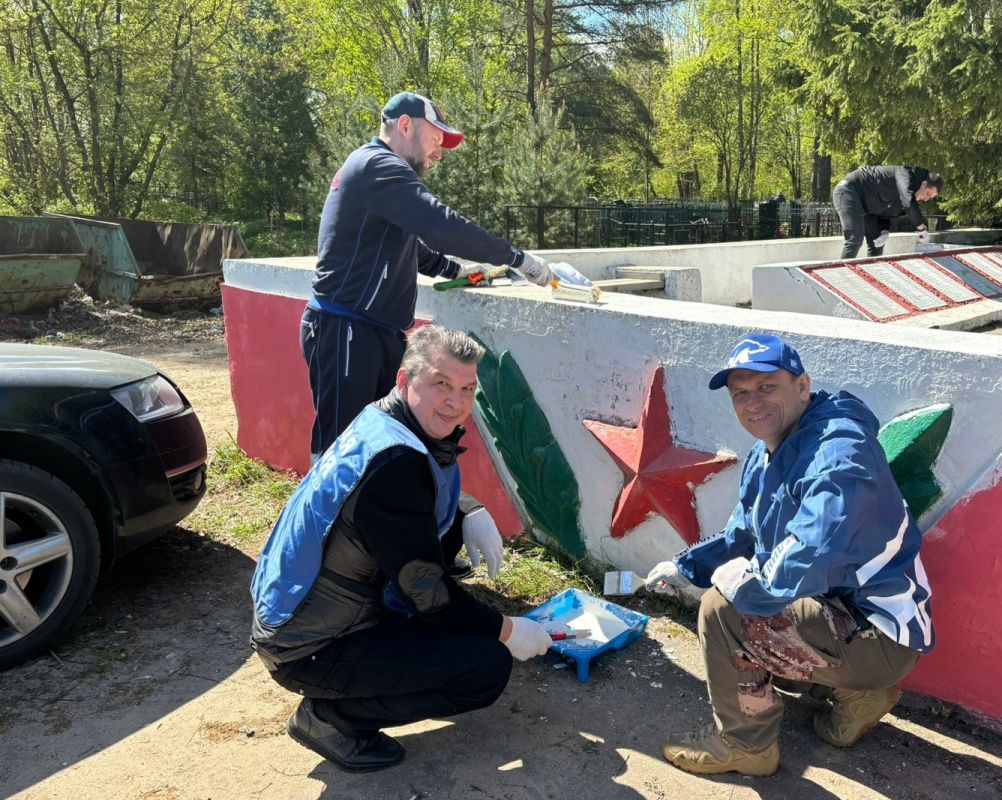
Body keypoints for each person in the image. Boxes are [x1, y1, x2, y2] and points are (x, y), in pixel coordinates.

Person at [250, 325, 553, 772]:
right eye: (441, 384)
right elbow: (428, 594)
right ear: (403, 381)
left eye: (468, 389)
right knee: (484, 667)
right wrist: (508, 631)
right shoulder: (396, 463)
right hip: (309, 644)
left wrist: (468, 509)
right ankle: (330, 718)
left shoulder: (383, 420)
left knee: (464, 617)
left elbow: (409, 505)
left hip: (297, 609)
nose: (457, 402)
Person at [646, 332, 935, 777]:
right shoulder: (770, 452)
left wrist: (743, 588)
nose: (752, 403)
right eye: (740, 393)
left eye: (767, 387)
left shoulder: (838, 452)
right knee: (748, 609)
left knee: (722, 612)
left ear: (803, 386)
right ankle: (858, 697)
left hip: (879, 633)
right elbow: (743, 534)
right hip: (846, 617)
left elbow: (814, 550)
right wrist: (686, 567)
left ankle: (745, 745)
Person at [302, 90, 587, 461]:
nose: (439, 152)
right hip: (347, 329)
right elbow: (439, 225)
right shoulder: (378, 165)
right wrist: (517, 258)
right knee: (339, 451)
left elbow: (408, 246)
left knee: (373, 447)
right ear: (405, 125)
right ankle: (322, 519)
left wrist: (460, 271)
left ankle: (366, 518)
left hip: (369, 331)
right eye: (435, 139)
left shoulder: (377, 172)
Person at [833, 166, 942, 259]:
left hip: (867, 206)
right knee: (855, 239)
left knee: (877, 243)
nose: (926, 199)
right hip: (849, 191)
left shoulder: (907, 193)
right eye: (928, 194)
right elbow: (909, 204)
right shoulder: (905, 175)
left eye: (930, 198)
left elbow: (886, 211)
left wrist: (884, 230)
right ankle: (840, 274)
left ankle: (872, 277)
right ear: (924, 184)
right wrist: (921, 228)